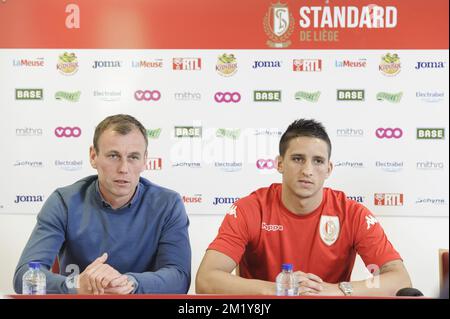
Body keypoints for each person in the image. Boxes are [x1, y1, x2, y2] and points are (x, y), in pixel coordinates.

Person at [196, 119, 412, 296]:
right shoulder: (250, 209)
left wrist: (337, 290)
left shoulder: (352, 214)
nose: (308, 170)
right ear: (280, 164)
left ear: (329, 169)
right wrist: (281, 289)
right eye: (298, 159)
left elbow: (400, 280)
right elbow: (206, 280)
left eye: (318, 161)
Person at [13, 114, 191, 294]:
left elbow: (179, 278)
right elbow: (25, 276)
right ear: (93, 156)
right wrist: (76, 285)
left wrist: (129, 283)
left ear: (145, 160)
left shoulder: (168, 204)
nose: (123, 168)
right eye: (113, 156)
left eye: (133, 157)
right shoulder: (63, 201)